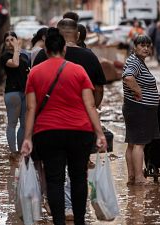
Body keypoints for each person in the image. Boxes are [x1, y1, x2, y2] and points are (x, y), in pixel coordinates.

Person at [21, 27, 107, 225]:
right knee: (78, 177)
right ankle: (79, 222)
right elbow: (90, 104)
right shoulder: (79, 71)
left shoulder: (34, 73)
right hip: (80, 132)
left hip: (47, 133)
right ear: (64, 49)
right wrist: (99, 133)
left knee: (54, 180)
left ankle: (59, 222)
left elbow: (30, 109)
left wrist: (27, 138)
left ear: (46, 51)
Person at [122, 34, 160, 185]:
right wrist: (139, 92)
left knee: (132, 143)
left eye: (148, 45)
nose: (145, 48)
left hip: (135, 108)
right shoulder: (135, 62)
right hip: (139, 109)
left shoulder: (137, 61)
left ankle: (132, 177)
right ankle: (139, 178)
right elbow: (128, 77)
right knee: (139, 144)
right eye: (142, 45)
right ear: (134, 47)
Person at [0, 31, 30, 158]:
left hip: (24, 92)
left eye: (12, 39)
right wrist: (17, 47)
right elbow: (15, 63)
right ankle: (13, 152)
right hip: (12, 93)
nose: (10, 42)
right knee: (12, 123)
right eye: (7, 40)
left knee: (24, 124)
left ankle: (21, 151)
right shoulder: (5, 56)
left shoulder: (24, 56)